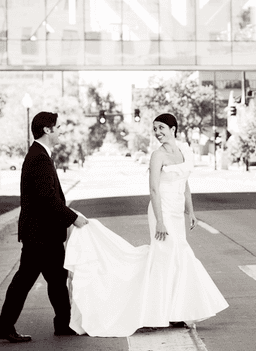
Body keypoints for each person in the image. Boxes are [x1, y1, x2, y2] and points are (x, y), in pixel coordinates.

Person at [65, 113, 228, 337]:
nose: (158, 132)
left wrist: (190, 211)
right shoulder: (156, 155)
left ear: (173, 128)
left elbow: (185, 182)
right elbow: (153, 190)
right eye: (155, 129)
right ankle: (154, 314)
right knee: (164, 259)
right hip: (161, 211)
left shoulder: (184, 151)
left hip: (177, 213)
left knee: (178, 259)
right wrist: (160, 221)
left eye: (161, 127)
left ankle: (176, 311)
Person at [0, 112, 89, 343]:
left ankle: (62, 324)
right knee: (28, 280)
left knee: (55, 280)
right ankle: (5, 326)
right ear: (47, 130)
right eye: (58, 127)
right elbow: (48, 199)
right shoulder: (39, 158)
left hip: (42, 233)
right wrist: (73, 217)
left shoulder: (39, 155)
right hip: (41, 234)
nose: (61, 130)